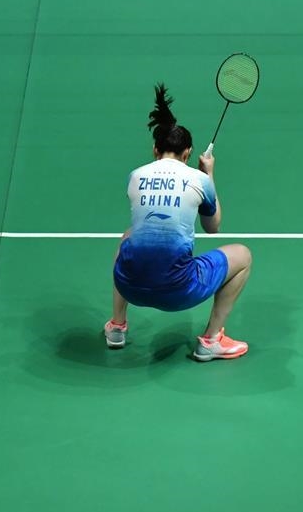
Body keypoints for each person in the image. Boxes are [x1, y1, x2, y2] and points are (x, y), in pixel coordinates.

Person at [103, 83, 252, 361]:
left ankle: (117, 326)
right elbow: (212, 227)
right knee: (243, 256)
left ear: (154, 149)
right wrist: (209, 175)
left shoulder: (135, 176)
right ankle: (211, 341)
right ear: (188, 153)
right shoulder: (200, 180)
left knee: (129, 236)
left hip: (130, 286)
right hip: (178, 292)